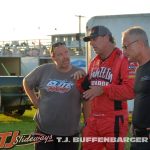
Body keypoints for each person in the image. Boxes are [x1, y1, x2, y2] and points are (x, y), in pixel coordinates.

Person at [76, 25, 137, 150]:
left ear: (107, 37)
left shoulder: (124, 59)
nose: (92, 43)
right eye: (90, 40)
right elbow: (87, 90)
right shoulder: (94, 61)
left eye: (94, 39)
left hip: (114, 119)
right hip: (94, 119)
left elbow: (130, 91)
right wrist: (80, 79)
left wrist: (103, 89)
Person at [23, 42, 85, 150]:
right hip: (44, 132)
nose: (65, 57)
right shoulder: (44, 70)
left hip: (69, 134)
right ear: (53, 57)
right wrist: (34, 101)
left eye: (66, 52)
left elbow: (86, 100)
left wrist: (87, 124)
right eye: (60, 54)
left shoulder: (80, 74)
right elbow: (26, 82)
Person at [122, 26, 150, 150]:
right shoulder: (139, 68)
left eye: (125, 46)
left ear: (139, 44)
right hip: (137, 137)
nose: (124, 51)